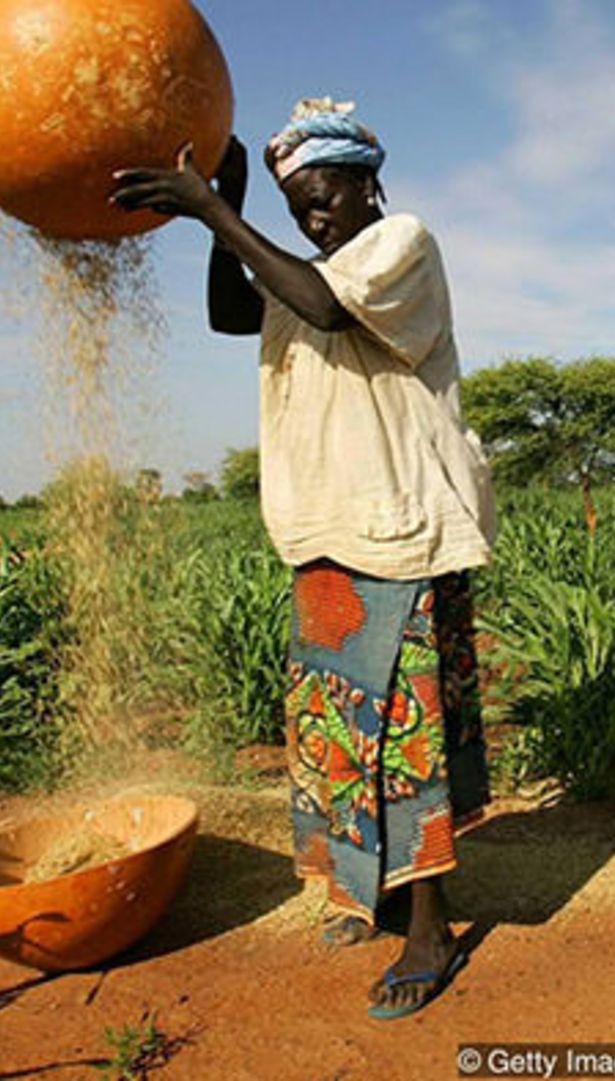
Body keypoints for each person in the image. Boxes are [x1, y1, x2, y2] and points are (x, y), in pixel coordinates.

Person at [110, 97, 495, 1020]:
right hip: (322, 531)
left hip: (398, 530)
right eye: (298, 208)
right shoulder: (304, 269)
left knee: (408, 742)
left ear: (366, 182)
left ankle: (430, 927)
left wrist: (212, 208)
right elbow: (227, 313)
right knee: (342, 737)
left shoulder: (399, 245)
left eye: (324, 198)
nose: (313, 219)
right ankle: (373, 891)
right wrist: (228, 202)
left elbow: (323, 307)